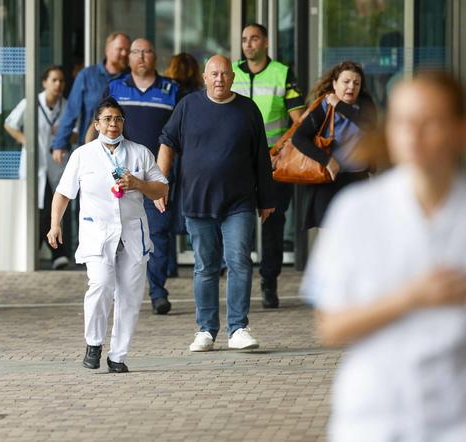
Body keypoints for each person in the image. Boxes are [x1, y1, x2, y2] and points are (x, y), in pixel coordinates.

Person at [301, 71, 466, 440]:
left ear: (459, 130)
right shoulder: (357, 211)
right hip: (375, 413)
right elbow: (330, 326)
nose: (414, 135)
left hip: (454, 415)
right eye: (404, 122)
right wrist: (411, 297)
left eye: (430, 122)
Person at [157, 55, 275, 352]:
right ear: (205, 78)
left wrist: (267, 197)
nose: (219, 78)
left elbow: (262, 156)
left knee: (239, 262)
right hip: (198, 201)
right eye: (214, 74)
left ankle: (238, 328)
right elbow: (167, 143)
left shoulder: (247, 109)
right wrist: (160, 184)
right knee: (205, 266)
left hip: (240, 201)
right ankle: (206, 330)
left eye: (224, 73)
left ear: (232, 77)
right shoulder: (187, 107)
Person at [47, 97, 168, 373]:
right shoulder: (83, 155)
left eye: (118, 119)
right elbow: (63, 194)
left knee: (130, 296)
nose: (113, 124)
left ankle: (118, 355)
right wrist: (56, 224)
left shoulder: (140, 153)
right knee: (100, 285)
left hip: (132, 234)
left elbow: (162, 189)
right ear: (96, 123)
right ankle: (93, 343)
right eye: (108, 119)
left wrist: (138, 184)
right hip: (97, 232)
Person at [87, 38, 179, 315]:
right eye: (136, 52)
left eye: (146, 52)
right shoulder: (115, 87)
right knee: (116, 234)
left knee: (158, 233)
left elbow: (177, 136)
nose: (141, 57)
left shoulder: (170, 90)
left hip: (153, 175)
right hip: (118, 176)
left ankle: (158, 292)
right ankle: (117, 291)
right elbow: (99, 125)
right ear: (129, 58)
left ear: (155, 57)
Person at [232, 23, 306, 309]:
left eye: (253, 39)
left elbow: (298, 118)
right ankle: (239, 283)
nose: (248, 44)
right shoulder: (231, 72)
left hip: (274, 163)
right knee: (237, 222)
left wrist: (286, 148)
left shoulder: (282, 73)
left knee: (274, 224)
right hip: (237, 163)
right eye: (244, 40)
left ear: (265, 42)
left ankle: (269, 283)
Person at [291, 61, 377, 230]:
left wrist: (340, 105)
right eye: (346, 82)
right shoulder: (324, 106)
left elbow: (368, 126)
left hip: (357, 181)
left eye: (356, 83)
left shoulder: (365, 105)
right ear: (334, 84)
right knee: (331, 238)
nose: (351, 86)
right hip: (329, 181)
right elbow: (299, 138)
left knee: (358, 235)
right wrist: (327, 160)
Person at [4, 65, 73, 270]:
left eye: (61, 80)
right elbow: (9, 124)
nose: (58, 84)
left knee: (53, 209)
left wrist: (64, 133)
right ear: (44, 83)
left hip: (57, 166)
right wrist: (26, 140)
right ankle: (54, 253)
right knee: (43, 210)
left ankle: (44, 252)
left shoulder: (66, 106)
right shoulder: (31, 103)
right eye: (54, 80)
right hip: (35, 165)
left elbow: (75, 133)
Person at [51, 32, 130, 162]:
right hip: (90, 149)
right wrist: (59, 144)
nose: (124, 54)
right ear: (108, 50)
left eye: (127, 50)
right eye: (120, 49)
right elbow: (71, 112)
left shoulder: (131, 79)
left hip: (123, 151)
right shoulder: (87, 76)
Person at [163, 52, 202, 277]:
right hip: (192, 158)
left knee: (165, 207)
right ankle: (204, 260)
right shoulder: (199, 95)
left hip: (170, 155)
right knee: (196, 209)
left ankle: (169, 266)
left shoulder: (168, 93)